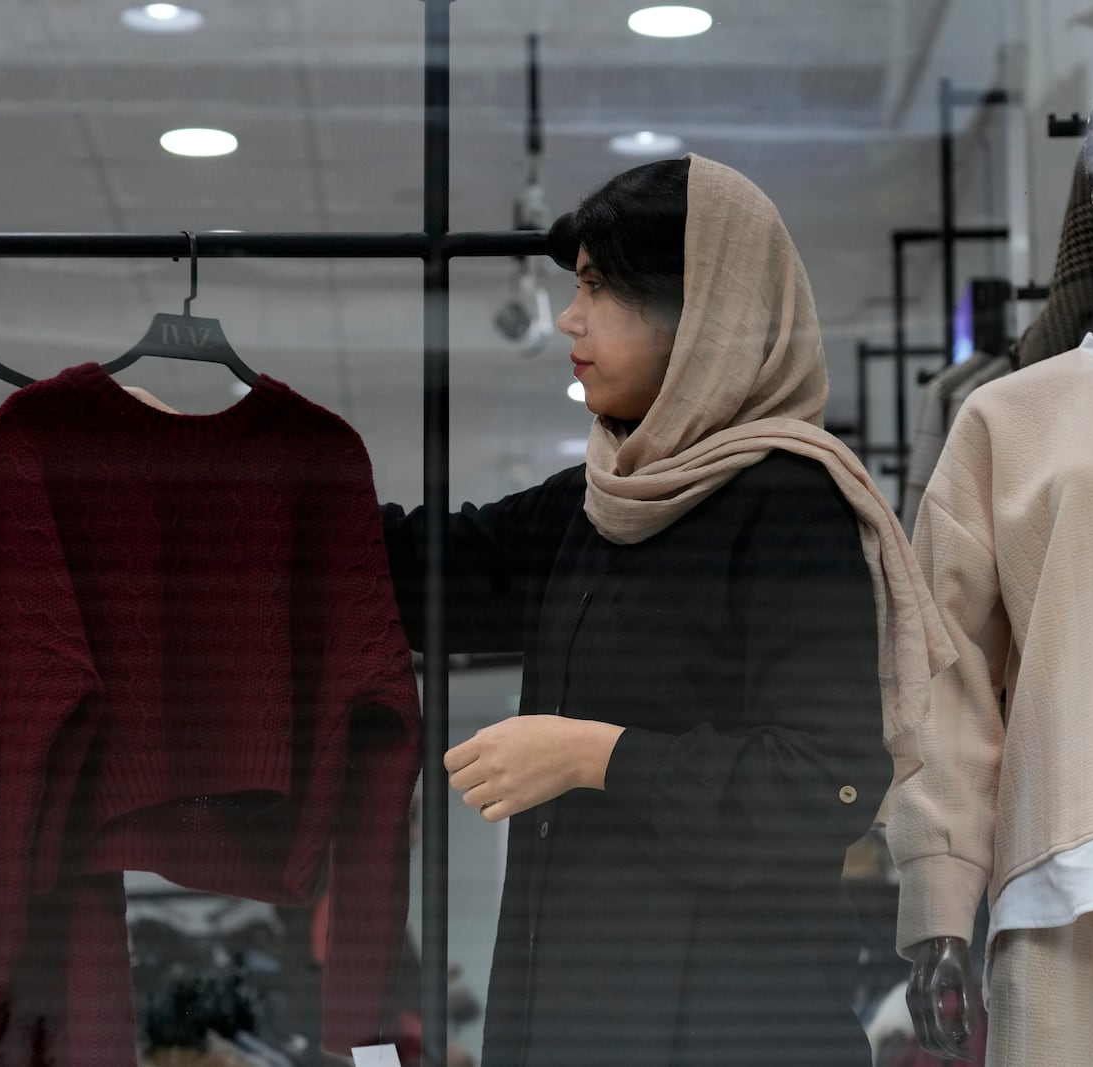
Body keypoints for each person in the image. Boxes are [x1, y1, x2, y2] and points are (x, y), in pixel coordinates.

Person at [381, 154, 952, 1067]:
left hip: (737, 1030)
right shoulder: (595, 503)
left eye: (601, 289)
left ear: (701, 313)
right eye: (577, 287)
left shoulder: (790, 502)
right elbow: (424, 568)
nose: (571, 315)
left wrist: (594, 755)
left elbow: (823, 783)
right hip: (573, 1013)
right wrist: (212, 471)